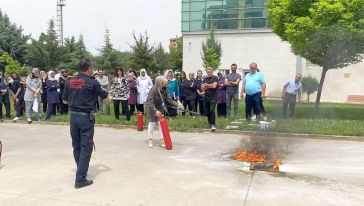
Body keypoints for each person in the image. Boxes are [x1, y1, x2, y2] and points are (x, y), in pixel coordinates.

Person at [62, 58, 109, 189]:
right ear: (89, 68)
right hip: (85, 118)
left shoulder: (69, 81)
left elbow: (65, 101)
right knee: (86, 147)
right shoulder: (92, 82)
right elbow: (105, 98)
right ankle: (80, 179)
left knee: (76, 146)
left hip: (73, 117)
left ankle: (81, 170)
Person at [146, 76, 184, 147]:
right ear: (160, 83)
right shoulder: (153, 89)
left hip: (160, 107)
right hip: (151, 108)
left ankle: (161, 139)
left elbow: (169, 100)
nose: (166, 86)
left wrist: (177, 105)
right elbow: (149, 102)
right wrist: (155, 111)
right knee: (152, 124)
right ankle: (150, 140)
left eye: (166, 84)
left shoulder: (165, 89)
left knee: (161, 124)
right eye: (165, 84)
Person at [201, 67, 218, 132]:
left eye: (210, 71)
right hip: (206, 97)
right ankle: (210, 123)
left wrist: (206, 85)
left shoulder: (215, 78)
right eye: (208, 71)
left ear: (212, 71)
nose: (209, 72)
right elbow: (202, 88)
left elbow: (214, 86)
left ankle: (213, 124)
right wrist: (208, 86)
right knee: (207, 111)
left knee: (212, 110)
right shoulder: (205, 78)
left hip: (213, 97)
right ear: (206, 72)